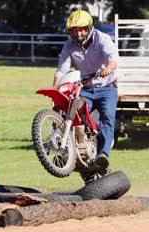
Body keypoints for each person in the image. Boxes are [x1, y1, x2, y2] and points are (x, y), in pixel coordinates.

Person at [53, 10, 118, 178]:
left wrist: (108, 69)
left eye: (81, 29)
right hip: (85, 88)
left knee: (107, 118)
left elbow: (112, 56)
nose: (78, 33)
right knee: (72, 113)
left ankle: (103, 155)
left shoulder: (101, 38)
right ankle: (72, 151)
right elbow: (61, 71)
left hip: (107, 87)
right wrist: (54, 92)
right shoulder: (69, 46)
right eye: (74, 30)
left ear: (89, 28)